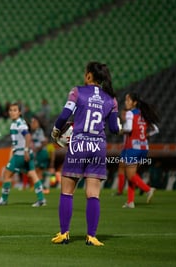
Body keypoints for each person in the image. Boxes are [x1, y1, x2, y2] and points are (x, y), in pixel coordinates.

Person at [50, 62, 120, 246]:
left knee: (67, 191)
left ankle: (64, 233)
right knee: (93, 194)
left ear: (89, 76)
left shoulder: (77, 92)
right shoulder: (111, 99)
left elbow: (65, 114)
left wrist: (56, 130)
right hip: (98, 146)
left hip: (79, 143)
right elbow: (114, 128)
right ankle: (92, 236)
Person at [0, 102, 46, 207]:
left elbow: (28, 136)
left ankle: (3, 200)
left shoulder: (19, 123)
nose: (12, 112)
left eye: (15, 110)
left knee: (7, 174)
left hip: (21, 154)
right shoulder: (16, 123)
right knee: (33, 175)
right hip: (24, 153)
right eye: (11, 110)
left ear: (19, 112)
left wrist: (25, 150)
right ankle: (41, 199)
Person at [120, 92, 159, 209]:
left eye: (128, 100)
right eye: (125, 100)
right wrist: (146, 135)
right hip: (143, 147)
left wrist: (120, 130)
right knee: (132, 174)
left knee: (130, 174)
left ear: (134, 103)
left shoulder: (130, 114)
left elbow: (128, 128)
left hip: (132, 147)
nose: (126, 102)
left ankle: (148, 189)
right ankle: (130, 202)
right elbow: (156, 129)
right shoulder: (144, 114)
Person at [30, 115, 51, 194]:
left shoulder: (39, 131)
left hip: (42, 153)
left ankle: (42, 187)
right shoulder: (36, 132)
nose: (32, 124)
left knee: (39, 171)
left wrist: (37, 148)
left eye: (34, 122)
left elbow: (44, 142)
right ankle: (42, 186)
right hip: (39, 153)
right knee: (39, 171)